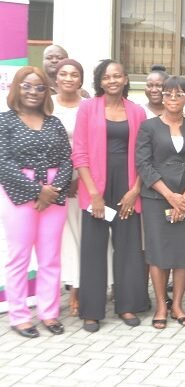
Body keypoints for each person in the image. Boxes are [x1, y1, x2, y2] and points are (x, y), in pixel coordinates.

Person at [71, 59, 148, 333]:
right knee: (93, 249)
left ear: (126, 79)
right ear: (100, 81)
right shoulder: (87, 109)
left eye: (118, 75)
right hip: (95, 187)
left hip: (127, 187)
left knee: (128, 248)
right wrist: (94, 194)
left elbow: (143, 155)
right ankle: (91, 311)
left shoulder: (137, 112)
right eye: (107, 77)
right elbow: (79, 152)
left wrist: (135, 190)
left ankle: (127, 305)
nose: (113, 80)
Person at [0, 66, 73, 338]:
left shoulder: (54, 122)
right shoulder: (4, 121)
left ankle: (49, 312)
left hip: (54, 194)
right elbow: (3, 164)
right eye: (27, 86)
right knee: (19, 257)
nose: (33, 92)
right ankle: (19, 315)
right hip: (18, 194)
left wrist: (51, 190)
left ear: (47, 92)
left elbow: (67, 158)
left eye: (40, 87)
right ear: (16, 88)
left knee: (50, 257)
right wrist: (36, 191)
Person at [136, 76, 185, 329]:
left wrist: (184, 199)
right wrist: (170, 196)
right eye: (168, 94)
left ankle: (177, 304)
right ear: (161, 97)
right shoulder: (148, 127)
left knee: (182, 253)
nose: (172, 99)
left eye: (178, 94)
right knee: (158, 254)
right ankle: (160, 306)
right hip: (157, 198)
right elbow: (144, 164)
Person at [52, 59, 86, 317]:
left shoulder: (87, 106)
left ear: (81, 79)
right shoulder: (46, 105)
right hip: (52, 181)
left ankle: (77, 289)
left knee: (79, 235)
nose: (68, 78)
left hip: (83, 178)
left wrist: (78, 178)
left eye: (74, 74)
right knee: (59, 237)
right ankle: (53, 291)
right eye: (64, 73)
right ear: (56, 77)